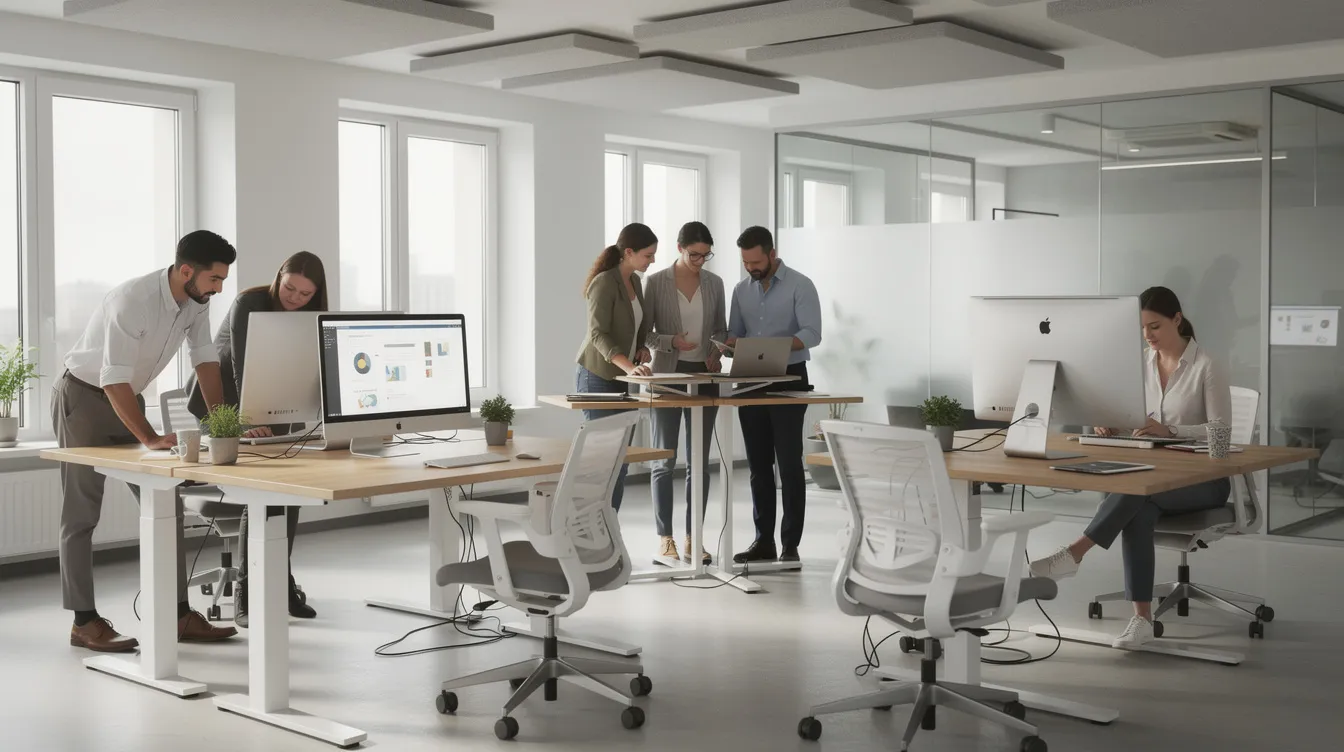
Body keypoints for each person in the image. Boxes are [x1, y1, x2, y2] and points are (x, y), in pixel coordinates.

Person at [54, 230, 240, 652]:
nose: (219, 288)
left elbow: (205, 358)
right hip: (84, 398)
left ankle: (177, 615)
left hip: (127, 397)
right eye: (215, 279)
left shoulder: (196, 302)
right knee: (81, 514)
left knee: (165, 501)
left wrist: (222, 421)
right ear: (186, 270)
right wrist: (150, 437)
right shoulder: (132, 301)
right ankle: (84, 622)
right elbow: (112, 377)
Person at [1029, 286, 1232, 650]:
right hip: (1153, 474)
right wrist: (1108, 424)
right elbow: (1128, 417)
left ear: (1177, 319)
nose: (1147, 336)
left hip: (1204, 480)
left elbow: (1220, 429)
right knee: (1141, 504)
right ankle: (1141, 620)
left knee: (1140, 493)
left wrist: (1171, 430)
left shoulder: (1206, 365)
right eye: (1142, 329)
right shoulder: (1141, 363)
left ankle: (1074, 553)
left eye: (1154, 327)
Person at [186, 251, 328, 628]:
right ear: (278, 276)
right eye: (290, 288)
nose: (295, 298)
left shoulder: (310, 316)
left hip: (270, 407)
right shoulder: (250, 302)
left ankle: (279, 582)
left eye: (304, 294)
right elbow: (244, 366)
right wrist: (245, 423)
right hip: (223, 410)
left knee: (291, 487)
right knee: (262, 491)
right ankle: (247, 594)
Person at [720, 227, 822, 564]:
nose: (751, 267)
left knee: (789, 464)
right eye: (746, 262)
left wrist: (773, 347)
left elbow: (812, 333)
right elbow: (735, 334)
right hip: (751, 380)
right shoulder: (740, 290)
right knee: (758, 466)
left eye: (756, 260)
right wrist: (728, 345)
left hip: (789, 378)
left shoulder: (800, 284)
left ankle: (790, 545)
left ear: (772, 253)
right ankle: (763, 541)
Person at [643, 221, 728, 564]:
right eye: (695, 254)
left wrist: (716, 351)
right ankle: (666, 539)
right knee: (663, 460)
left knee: (698, 462)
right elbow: (645, 334)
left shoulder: (715, 283)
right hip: (666, 374)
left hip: (703, 375)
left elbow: (721, 327)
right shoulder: (656, 282)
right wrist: (671, 342)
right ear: (679, 248)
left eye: (706, 255)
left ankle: (695, 538)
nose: (700, 261)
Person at [575, 222, 656, 511]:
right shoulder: (603, 283)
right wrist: (628, 366)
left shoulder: (635, 282)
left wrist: (642, 349)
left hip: (624, 377)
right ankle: (587, 535)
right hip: (597, 375)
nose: (652, 260)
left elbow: (638, 328)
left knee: (620, 461)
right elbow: (597, 334)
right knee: (601, 463)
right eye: (648, 255)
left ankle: (610, 534)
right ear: (629, 252)